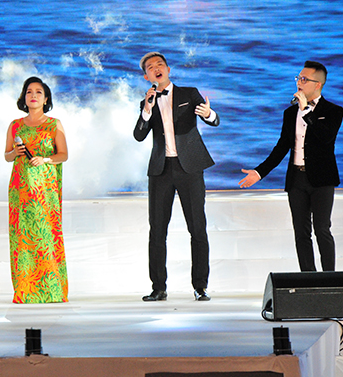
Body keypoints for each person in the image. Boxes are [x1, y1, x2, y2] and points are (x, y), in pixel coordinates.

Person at [239, 61, 342, 272]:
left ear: (318, 84)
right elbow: (281, 148)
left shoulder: (334, 111)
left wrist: (305, 111)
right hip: (297, 179)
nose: (299, 82)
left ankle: (330, 279)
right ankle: (308, 280)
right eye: (298, 78)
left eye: (305, 79)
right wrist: (259, 172)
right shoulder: (289, 113)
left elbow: (325, 137)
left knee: (322, 229)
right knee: (301, 233)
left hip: (322, 180)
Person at [133, 52, 219, 302]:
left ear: (168, 69)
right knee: (157, 230)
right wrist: (147, 110)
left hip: (189, 168)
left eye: (160, 65)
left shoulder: (189, 93)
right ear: (146, 76)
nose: (156, 69)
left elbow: (214, 120)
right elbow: (139, 135)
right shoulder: (146, 101)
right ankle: (158, 287)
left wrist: (208, 114)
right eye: (150, 67)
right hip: (161, 171)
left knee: (197, 229)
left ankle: (200, 287)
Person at [4, 76, 69, 303]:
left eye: (38, 92)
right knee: (22, 237)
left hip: (45, 190)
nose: (33, 95)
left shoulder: (54, 124)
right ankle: (25, 290)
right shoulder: (15, 125)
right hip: (21, 189)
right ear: (24, 97)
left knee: (45, 236)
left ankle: (52, 289)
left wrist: (45, 160)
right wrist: (16, 152)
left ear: (46, 98)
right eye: (29, 91)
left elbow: (63, 155)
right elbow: (7, 155)